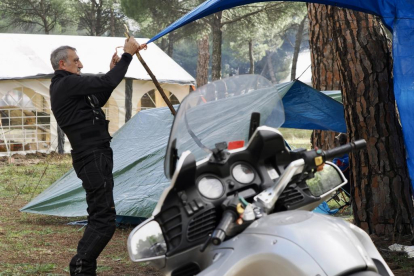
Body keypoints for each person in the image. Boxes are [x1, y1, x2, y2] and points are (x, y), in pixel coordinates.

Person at [49, 37, 143, 275]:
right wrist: (127, 56)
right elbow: (106, 81)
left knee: (101, 215)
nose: (80, 65)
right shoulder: (66, 83)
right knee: (104, 219)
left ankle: (83, 267)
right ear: (63, 64)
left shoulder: (71, 86)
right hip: (90, 156)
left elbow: (98, 96)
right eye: (76, 60)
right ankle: (81, 266)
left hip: (96, 154)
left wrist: (114, 69)